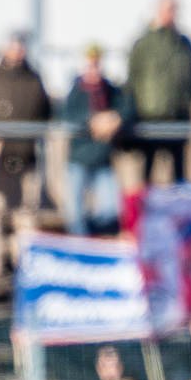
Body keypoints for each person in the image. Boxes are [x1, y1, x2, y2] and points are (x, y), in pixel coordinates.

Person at [0, 31, 51, 279]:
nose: (16, 52)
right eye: (12, 47)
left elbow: (45, 114)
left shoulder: (34, 80)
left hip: (26, 158)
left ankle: (25, 267)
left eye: (20, 47)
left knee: (26, 215)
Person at [126, 0, 191, 182]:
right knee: (147, 175)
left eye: (173, 10)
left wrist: (184, 102)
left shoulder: (184, 45)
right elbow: (132, 79)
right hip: (149, 119)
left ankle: (180, 211)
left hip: (177, 118)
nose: (170, 14)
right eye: (166, 9)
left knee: (179, 177)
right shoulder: (143, 44)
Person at [58, 43, 128, 237]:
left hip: (103, 160)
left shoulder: (110, 90)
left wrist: (115, 118)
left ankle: (91, 238)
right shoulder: (76, 91)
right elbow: (65, 115)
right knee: (74, 213)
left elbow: (128, 108)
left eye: (97, 64)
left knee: (111, 210)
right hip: (78, 159)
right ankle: (80, 246)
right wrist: (93, 121)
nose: (94, 69)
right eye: (90, 64)